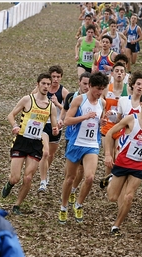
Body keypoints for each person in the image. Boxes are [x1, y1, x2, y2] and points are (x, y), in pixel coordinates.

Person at [103, 91, 142, 237]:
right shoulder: (131, 119)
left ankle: (116, 226)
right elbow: (110, 133)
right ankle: (111, 178)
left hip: (139, 165)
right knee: (112, 197)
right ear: (141, 104)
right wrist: (107, 154)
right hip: (123, 162)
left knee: (129, 196)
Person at [1, 73, 58, 214]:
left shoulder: (51, 107)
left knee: (28, 178)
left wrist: (56, 129)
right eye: (43, 83)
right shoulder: (27, 100)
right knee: (16, 177)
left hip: (36, 145)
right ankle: (10, 184)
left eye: (48, 84)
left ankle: (17, 205)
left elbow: (55, 129)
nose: (46, 86)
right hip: (21, 141)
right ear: (38, 84)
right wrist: (14, 125)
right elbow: (11, 115)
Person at [58, 72, 109, 224]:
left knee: (90, 177)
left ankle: (79, 204)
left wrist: (103, 122)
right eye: (97, 89)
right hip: (76, 142)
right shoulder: (79, 100)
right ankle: (64, 206)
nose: (100, 92)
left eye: (102, 89)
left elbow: (100, 120)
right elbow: (67, 120)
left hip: (92, 144)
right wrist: (84, 117)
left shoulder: (103, 103)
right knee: (70, 178)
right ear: (90, 86)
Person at [34, 65, 70, 192]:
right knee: (45, 152)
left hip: (56, 125)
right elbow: (32, 100)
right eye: (53, 76)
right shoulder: (43, 88)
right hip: (43, 124)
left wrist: (57, 104)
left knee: (51, 154)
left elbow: (69, 110)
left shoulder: (63, 92)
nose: (55, 79)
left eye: (58, 77)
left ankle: (45, 171)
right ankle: (43, 182)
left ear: (61, 78)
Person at [59, 72, 91, 205]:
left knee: (82, 169)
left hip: (86, 140)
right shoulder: (72, 97)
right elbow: (65, 111)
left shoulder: (95, 99)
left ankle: (73, 189)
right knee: (69, 171)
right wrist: (60, 122)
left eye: (89, 84)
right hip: (71, 137)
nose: (87, 87)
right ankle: (66, 192)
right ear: (79, 82)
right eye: (84, 83)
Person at [100, 62, 129, 177]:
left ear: (125, 75)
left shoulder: (128, 91)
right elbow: (100, 104)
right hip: (107, 127)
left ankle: (115, 179)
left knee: (118, 156)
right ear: (112, 73)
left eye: (122, 71)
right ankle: (107, 179)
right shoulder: (107, 89)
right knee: (109, 157)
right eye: (117, 71)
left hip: (121, 128)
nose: (119, 74)